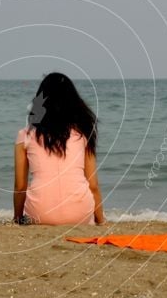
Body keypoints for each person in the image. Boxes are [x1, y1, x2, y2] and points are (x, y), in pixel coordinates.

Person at [14, 73, 105, 225]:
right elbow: (93, 185)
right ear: (73, 102)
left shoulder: (25, 135)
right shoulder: (83, 133)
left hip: (39, 214)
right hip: (79, 213)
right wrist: (100, 220)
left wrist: (17, 219)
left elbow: (20, 186)